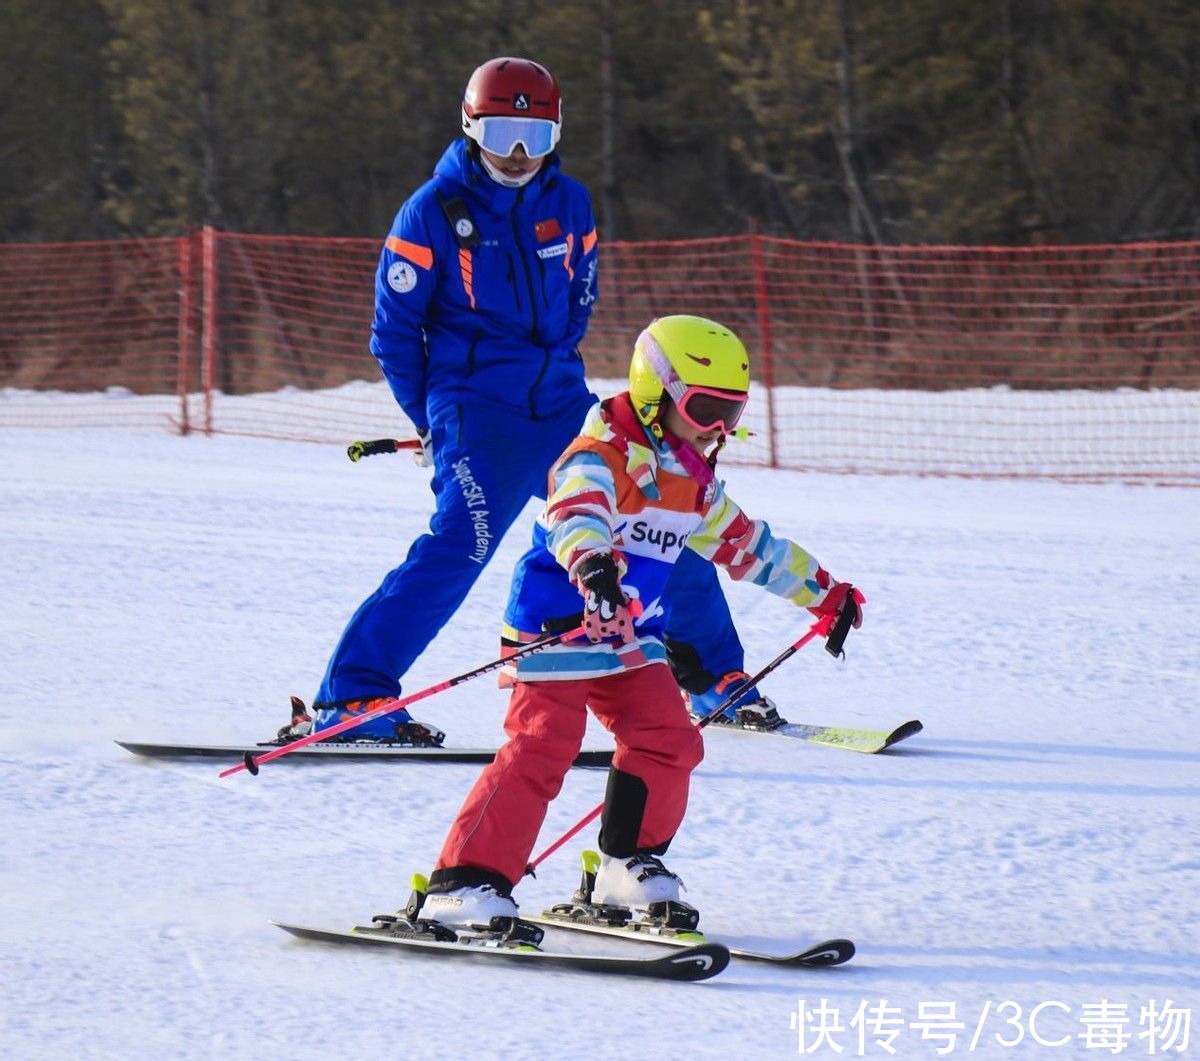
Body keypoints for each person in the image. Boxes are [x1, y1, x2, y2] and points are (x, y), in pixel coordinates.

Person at [279, 58, 781, 748]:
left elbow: (580, 297)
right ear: (469, 125)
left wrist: (556, 375)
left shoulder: (569, 202)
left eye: (534, 137)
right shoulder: (430, 212)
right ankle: (353, 695)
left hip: (560, 400)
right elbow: (393, 333)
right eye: (503, 133)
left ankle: (714, 677)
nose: (517, 155)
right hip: (475, 409)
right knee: (463, 543)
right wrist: (432, 416)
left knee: (660, 506)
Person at [418, 315, 865, 930]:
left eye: (730, 415)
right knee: (543, 745)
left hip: (632, 639)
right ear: (655, 392)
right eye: (705, 408)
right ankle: (464, 882)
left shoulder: (694, 485)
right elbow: (575, 514)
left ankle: (628, 868)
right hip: (560, 628)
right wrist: (595, 568)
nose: (716, 430)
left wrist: (825, 593)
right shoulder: (597, 457)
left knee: (671, 739)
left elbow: (748, 546)